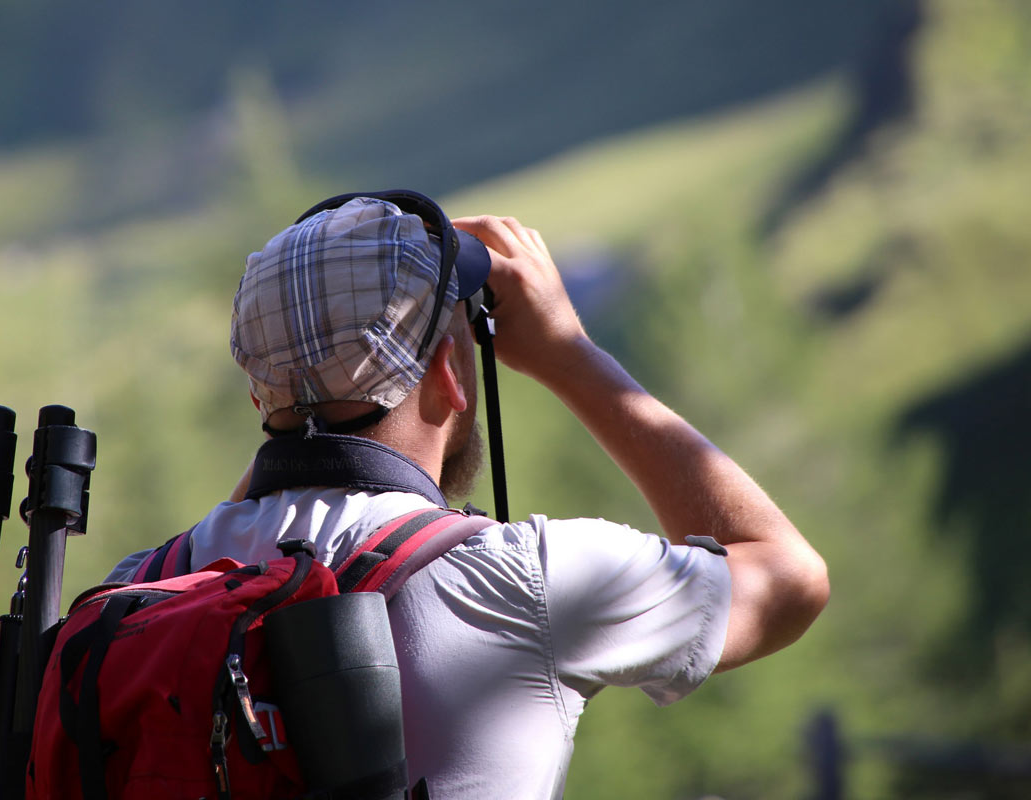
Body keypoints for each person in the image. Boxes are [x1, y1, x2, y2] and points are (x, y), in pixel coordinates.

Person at [107, 192, 829, 799]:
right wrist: (569, 353)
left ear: (258, 394)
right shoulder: (523, 580)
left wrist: (297, 411)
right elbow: (789, 581)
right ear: (451, 372)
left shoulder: (137, 594)